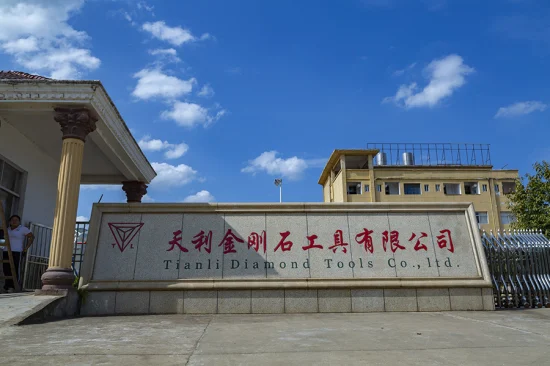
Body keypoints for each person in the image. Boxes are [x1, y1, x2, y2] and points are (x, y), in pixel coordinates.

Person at [2, 215, 34, 292]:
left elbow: (31, 237)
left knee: (15, 269)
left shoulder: (22, 229)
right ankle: (7, 286)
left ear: (19, 221)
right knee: (6, 269)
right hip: (6, 251)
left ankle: (14, 286)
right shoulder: (7, 229)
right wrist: (2, 246)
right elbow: (3, 240)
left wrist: (26, 248)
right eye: (13, 220)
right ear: (10, 221)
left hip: (17, 251)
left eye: (16, 220)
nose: (14, 221)